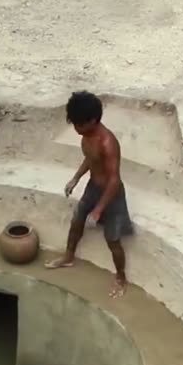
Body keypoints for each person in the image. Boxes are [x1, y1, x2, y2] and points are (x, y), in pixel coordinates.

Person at [45, 91, 135, 298]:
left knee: (112, 239)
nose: (76, 129)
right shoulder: (87, 136)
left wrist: (99, 209)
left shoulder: (107, 142)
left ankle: (121, 277)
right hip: (93, 186)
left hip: (111, 194)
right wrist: (75, 178)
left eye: (79, 125)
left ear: (93, 121)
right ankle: (69, 256)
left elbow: (114, 180)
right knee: (77, 218)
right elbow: (90, 159)